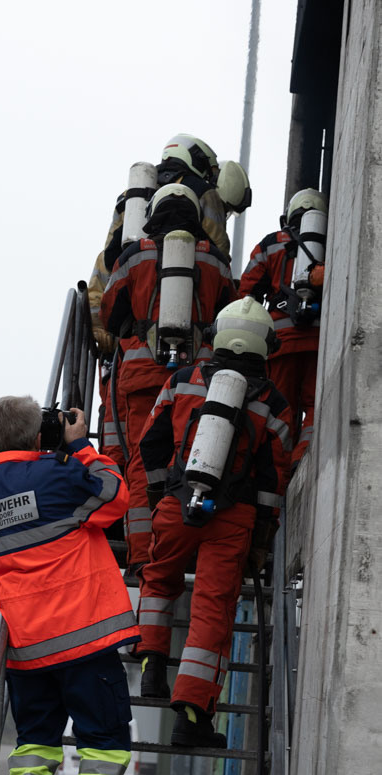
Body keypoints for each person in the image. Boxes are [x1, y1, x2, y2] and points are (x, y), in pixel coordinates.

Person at [0, 396, 140, 775]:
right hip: (85, 641)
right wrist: (80, 446)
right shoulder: (59, 475)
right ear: (36, 435)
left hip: (26, 650)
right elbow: (115, 496)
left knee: (33, 747)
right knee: (103, 745)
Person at [135, 297, 292, 745]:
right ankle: (191, 717)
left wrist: (163, 495)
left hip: (176, 505)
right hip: (233, 519)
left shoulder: (182, 381)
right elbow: (273, 479)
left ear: (218, 334)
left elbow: (150, 444)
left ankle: (151, 667)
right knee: (211, 610)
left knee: (158, 580)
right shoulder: (274, 403)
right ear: (266, 345)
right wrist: (261, 537)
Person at [99, 183, 238, 574]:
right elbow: (228, 317)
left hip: (141, 377)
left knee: (143, 463)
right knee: (193, 458)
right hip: (197, 381)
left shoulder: (133, 256)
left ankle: (143, 557)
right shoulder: (215, 261)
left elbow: (109, 314)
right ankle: (184, 545)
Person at [89, 134, 247, 381]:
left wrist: (99, 328)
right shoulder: (205, 194)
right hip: (193, 355)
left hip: (132, 351)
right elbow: (219, 261)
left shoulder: (130, 198)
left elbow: (108, 261)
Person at [239, 188, 327, 466]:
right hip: (318, 342)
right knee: (316, 406)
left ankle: (281, 466)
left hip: (281, 344)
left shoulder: (270, 245)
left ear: (288, 216)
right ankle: (302, 458)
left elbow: (246, 296)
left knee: (281, 408)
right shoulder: (331, 242)